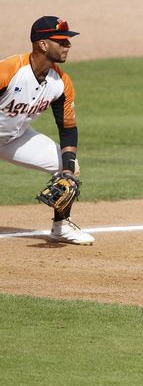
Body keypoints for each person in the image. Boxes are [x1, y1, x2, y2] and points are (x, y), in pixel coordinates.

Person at [0, 16, 94, 245]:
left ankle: (61, 227)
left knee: (67, 165)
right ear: (42, 44)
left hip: (15, 139)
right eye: (62, 41)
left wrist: (68, 171)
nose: (68, 46)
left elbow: (68, 128)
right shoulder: (9, 71)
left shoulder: (60, 82)